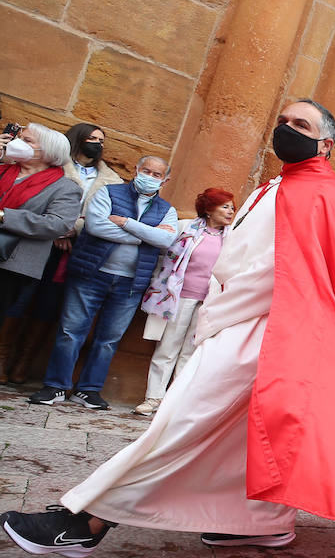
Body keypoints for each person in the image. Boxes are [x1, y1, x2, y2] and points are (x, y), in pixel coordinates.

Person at [2, 99, 335, 558]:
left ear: (326, 144)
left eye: (301, 125)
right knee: (243, 432)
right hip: (248, 322)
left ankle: (87, 519)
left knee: (183, 419)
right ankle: (262, 521)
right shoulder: (283, 186)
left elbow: (277, 273)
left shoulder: (317, 194)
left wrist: (214, 317)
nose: (287, 129)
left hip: (266, 330)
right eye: (283, 120)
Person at [27, 155, 177, 408]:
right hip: (91, 274)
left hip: (131, 284)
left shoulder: (168, 210)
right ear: (136, 170)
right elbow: (96, 227)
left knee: (109, 339)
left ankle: (89, 390)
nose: (149, 177)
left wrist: (126, 223)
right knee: (70, 332)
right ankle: (55, 386)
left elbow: (165, 241)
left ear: (165, 180)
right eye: (146, 171)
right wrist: (146, 236)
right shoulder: (109, 192)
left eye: (156, 175)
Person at [0, 122, 123, 384]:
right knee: (17, 303)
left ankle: (22, 364)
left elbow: (80, 218)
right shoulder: (28, 168)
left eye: (101, 141)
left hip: (63, 250)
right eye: (92, 138)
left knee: (46, 305)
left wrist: (70, 230)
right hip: (26, 246)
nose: (97, 144)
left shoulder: (102, 180)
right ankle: (3, 357)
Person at [132, 188, 236, 415]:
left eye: (232, 207)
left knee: (191, 351)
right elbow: (164, 258)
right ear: (209, 209)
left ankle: (175, 402)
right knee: (167, 348)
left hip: (210, 301)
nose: (230, 211)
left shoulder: (233, 237)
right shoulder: (185, 228)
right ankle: (153, 398)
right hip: (179, 297)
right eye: (225, 206)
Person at [0, 125, 83, 315]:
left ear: (48, 151)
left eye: (27, 140)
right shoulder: (3, 170)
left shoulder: (65, 188)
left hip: (11, 264)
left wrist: (5, 216)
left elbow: (57, 224)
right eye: (19, 137)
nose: (18, 143)